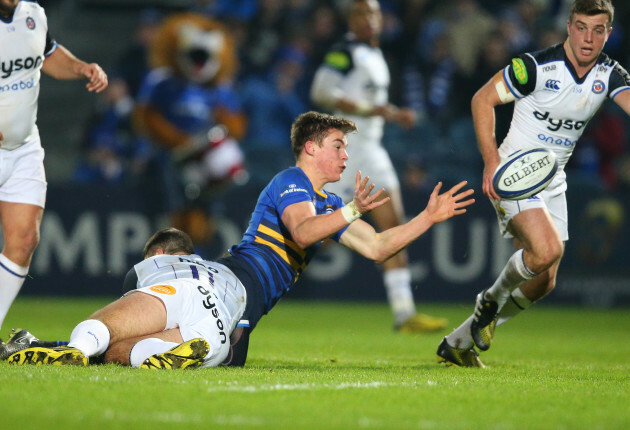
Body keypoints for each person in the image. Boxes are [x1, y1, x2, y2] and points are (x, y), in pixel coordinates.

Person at [8, 111, 474, 368]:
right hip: (230, 293)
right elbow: (302, 231)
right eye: (338, 146)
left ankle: (65, 345)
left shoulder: (330, 207)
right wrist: (352, 208)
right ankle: (175, 350)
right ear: (310, 148)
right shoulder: (293, 181)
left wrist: (428, 218)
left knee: (116, 341)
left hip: (226, 291)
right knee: (136, 349)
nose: (345, 156)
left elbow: (377, 247)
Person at [437, 0, 630, 368]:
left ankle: (459, 340)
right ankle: (489, 301)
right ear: (568, 26)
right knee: (546, 251)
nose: (588, 38)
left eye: (598, 29)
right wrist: (492, 162)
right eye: (581, 27)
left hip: (553, 178)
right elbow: (482, 100)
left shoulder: (610, 73)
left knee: (545, 281)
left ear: (609, 33)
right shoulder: (536, 67)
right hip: (514, 170)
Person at [310, 0, 447, 333]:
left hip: (371, 148)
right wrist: (377, 111)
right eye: (361, 13)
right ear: (351, 19)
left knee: (393, 223)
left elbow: (371, 104)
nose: (369, 19)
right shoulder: (345, 51)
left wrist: (390, 113)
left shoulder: (374, 54)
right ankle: (258, 273)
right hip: (345, 150)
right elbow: (322, 91)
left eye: (373, 13)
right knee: (316, 234)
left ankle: (403, 313)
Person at [0, 0, 108, 337]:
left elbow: (47, 54)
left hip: (23, 147)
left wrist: (81, 68)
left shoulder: (33, 13)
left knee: (24, 238)